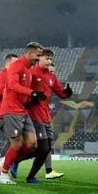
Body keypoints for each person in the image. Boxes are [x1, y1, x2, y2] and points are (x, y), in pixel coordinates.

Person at [0, 42, 45, 184]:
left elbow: (22, 91)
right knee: (16, 144)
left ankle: (5, 161)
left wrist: (31, 99)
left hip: (22, 110)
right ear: (29, 53)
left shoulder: (29, 70)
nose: (39, 58)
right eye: (38, 55)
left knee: (32, 143)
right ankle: (3, 175)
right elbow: (12, 85)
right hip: (11, 109)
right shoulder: (16, 66)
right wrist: (32, 92)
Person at [24, 49, 73, 183]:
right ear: (39, 58)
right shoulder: (32, 74)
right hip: (34, 115)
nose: (49, 62)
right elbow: (23, 90)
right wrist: (29, 100)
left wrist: (67, 93)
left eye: (51, 59)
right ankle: (21, 168)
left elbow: (61, 93)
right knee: (42, 148)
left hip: (46, 116)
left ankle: (30, 172)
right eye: (47, 59)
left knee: (46, 148)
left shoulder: (52, 77)